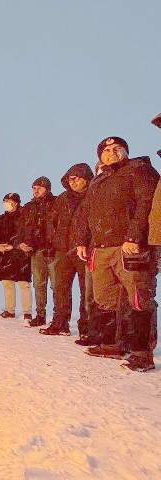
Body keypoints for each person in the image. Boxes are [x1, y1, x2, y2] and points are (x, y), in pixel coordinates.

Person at [73, 136, 159, 372]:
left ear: (126, 152)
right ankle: (112, 344)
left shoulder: (138, 171)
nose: (111, 152)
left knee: (139, 298)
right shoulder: (98, 181)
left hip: (128, 246)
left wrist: (134, 237)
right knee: (105, 298)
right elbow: (85, 212)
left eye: (116, 148)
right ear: (100, 156)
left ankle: (142, 352)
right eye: (106, 150)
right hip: (100, 248)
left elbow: (147, 205)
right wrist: (82, 241)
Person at [41, 163, 96, 337]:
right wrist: (54, 238)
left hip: (83, 250)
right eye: (70, 179)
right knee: (60, 288)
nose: (73, 182)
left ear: (86, 178)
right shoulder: (63, 198)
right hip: (62, 250)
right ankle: (60, 324)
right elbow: (51, 220)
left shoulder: (93, 195)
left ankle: (86, 328)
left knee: (86, 291)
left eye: (76, 178)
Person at [18, 176, 56, 327]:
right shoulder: (28, 207)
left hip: (53, 251)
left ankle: (60, 318)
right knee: (39, 284)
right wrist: (20, 242)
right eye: (34, 188)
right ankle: (40, 315)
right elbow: (20, 228)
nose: (36, 191)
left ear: (47, 189)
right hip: (36, 251)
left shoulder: (56, 203)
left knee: (57, 285)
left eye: (40, 188)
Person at [0, 193, 32, 320]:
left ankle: (27, 312)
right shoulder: (1, 218)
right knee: (7, 283)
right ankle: (10, 310)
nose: (6, 203)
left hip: (20, 255)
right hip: (4, 255)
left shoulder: (24, 216)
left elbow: (25, 234)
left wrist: (14, 245)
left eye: (9, 201)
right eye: (5, 201)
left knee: (23, 284)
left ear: (16, 203)